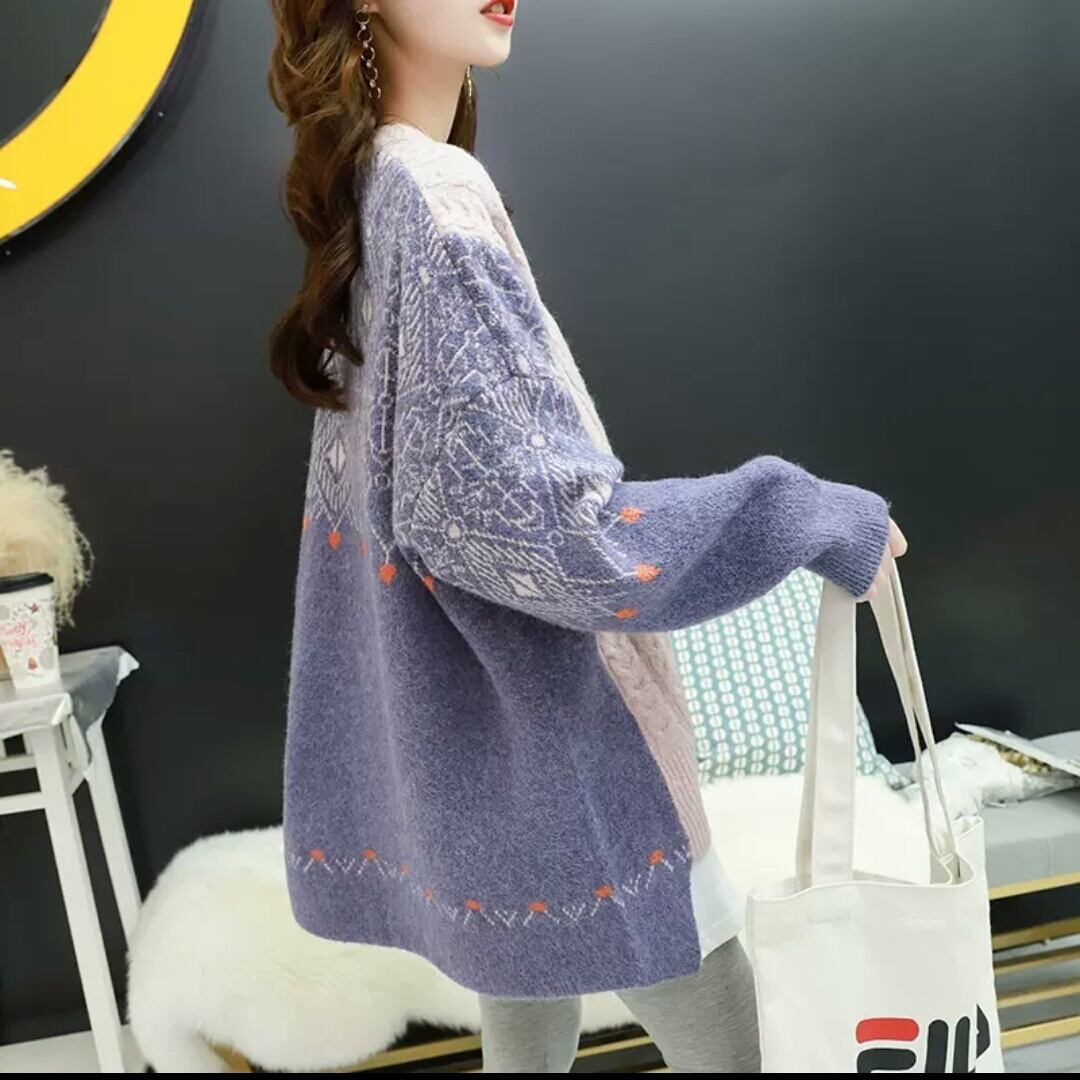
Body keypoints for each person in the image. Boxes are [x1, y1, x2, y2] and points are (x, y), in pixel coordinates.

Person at [268, 1, 907, 1071]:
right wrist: (803, 511)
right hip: (555, 733)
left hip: (472, 741)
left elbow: (417, 513)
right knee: (725, 1027)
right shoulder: (433, 200)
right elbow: (546, 531)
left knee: (528, 1000)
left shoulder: (376, 190)